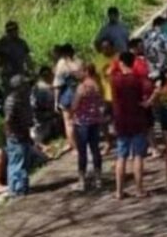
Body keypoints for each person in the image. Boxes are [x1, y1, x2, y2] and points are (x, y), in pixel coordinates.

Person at [110, 52, 153, 199]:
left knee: (121, 156)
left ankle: (119, 191)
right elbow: (147, 92)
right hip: (137, 119)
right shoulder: (138, 80)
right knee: (138, 156)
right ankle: (139, 189)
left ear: (121, 62)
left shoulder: (114, 80)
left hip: (121, 121)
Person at [71, 63, 104, 191]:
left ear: (86, 71)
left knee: (82, 152)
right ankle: (98, 179)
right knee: (95, 150)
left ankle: (82, 181)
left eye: (79, 71)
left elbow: (74, 105)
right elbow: (101, 102)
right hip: (94, 121)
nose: (78, 74)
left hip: (81, 123)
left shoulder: (82, 87)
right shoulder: (96, 85)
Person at [4, 75, 34, 196]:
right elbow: (7, 120)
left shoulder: (21, 99)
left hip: (23, 134)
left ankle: (23, 187)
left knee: (24, 161)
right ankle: (17, 189)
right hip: (16, 137)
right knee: (17, 162)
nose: (26, 87)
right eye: (24, 85)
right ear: (18, 87)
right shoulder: (12, 100)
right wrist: (11, 134)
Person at [53, 44, 83, 153]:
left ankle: (75, 147)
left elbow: (57, 84)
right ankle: (84, 142)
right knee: (80, 119)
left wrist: (56, 101)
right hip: (79, 93)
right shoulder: (78, 62)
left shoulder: (61, 65)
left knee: (68, 122)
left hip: (66, 94)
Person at [0, 20, 31, 87]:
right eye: (10, 30)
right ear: (7, 31)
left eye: (15, 29)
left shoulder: (22, 43)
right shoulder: (2, 43)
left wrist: (29, 69)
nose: (13, 32)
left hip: (20, 73)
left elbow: (27, 57)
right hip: (8, 75)